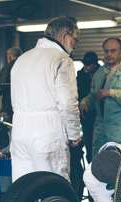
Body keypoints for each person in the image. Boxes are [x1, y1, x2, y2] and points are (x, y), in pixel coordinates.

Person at [10, 17, 81, 182]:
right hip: (48, 133)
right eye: (75, 39)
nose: (75, 44)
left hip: (20, 132)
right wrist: (74, 135)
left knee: (24, 188)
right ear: (65, 36)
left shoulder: (22, 59)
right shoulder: (61, 59)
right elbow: (67, 103)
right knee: (53, 186)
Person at [80, 37, 121, 156]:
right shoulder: (99, 73)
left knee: (116, 165)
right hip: (99, 130)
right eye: (106, 51)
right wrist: (86, 101)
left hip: (118, 130)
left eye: (113, 51)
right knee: (97, 166)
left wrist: (111, 92)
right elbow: (94, 95)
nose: (109, 54)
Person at [76, 51, 100, 162]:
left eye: (89, 64)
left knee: (102, 148)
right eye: (85, 64)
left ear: (95, 64)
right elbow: (76, 95)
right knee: (89, 146)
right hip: (86, 118)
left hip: (102, 117)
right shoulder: (80, 76)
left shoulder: (104, 74)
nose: (87, 67)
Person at [0, 47, 22, 121]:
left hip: (9, 107)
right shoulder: (25, 67)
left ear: (9, 56)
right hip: (23, 107)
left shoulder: (8, 68)